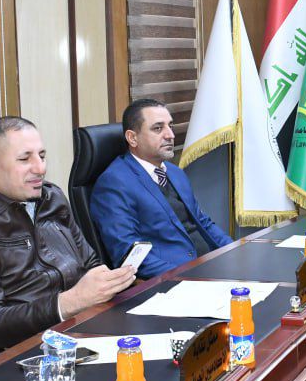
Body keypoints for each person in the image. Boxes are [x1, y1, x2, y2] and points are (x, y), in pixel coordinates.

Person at [0, 117, 136, 351]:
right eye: (24, 159)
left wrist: (108, 282)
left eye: (42, 156)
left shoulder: (51, 196)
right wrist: (71, 302)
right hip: (17, 353)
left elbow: (89, 264)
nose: (40, 168)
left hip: (79, 327)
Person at [92, 99, 233, 279]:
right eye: (158, 128)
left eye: (170, 126)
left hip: (210, 266)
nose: (170, 135)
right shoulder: (114, 183)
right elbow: (130, 254)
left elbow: (202, 222)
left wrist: (234, 251)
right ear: (132, 138)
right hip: (176, 279)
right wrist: (188, 276)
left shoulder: (174, 172)